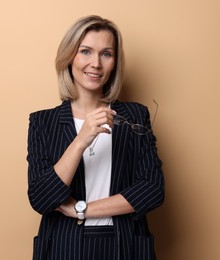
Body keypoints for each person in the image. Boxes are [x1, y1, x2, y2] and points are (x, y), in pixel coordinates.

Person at [27, 15, 164, 260]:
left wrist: (82, 209)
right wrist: (81, 139)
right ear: (70, 57)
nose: (96, 64)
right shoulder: (42, 122)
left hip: (125, 246)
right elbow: (42, 199)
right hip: (63, 247)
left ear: (115, 62)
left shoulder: (135, 115)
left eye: (106, 54)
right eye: (86, 51)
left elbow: (152, 189)